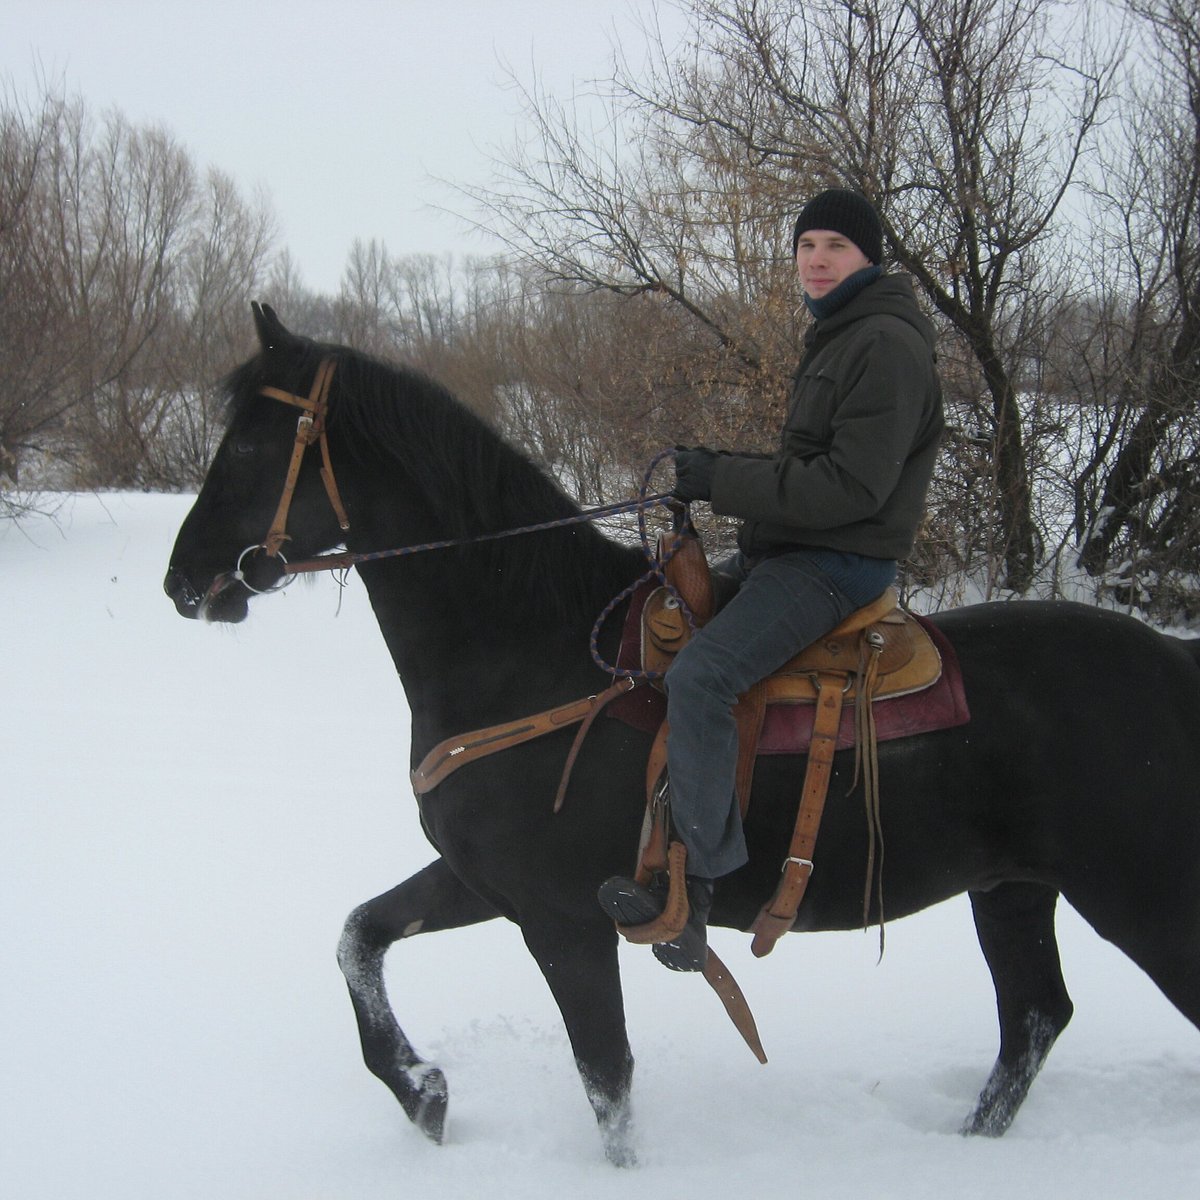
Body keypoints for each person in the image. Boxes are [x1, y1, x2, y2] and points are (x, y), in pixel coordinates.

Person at [599, 187, 945, 971]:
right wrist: (714, 477)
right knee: (652, 619)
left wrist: (718, 479)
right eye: (806, 246)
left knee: (702, 678)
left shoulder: (885, 343)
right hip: (788, 551)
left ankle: (698, 890)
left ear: (869, 258)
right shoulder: (840, 335)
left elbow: (849, 490)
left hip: (834, 566)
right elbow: (806, 471)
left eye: (836, 247)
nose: (817, 260)